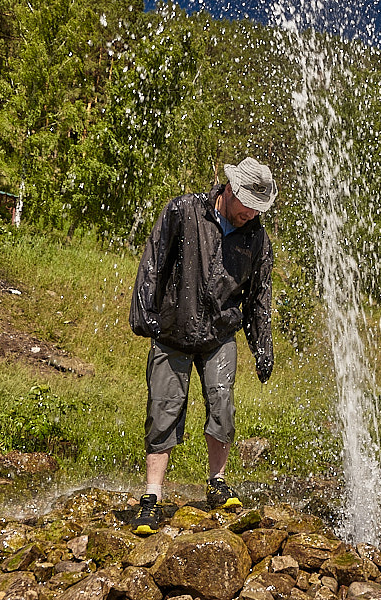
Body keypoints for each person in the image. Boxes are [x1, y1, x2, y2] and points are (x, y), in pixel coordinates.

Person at [128, 157, 276, 535]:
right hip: (173, 328)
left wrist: (262, 345)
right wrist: (144, 308)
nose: (251, 214)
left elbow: (259, 297)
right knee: (163, 408)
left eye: (259, 209)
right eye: (248, 206)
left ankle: (217, 482)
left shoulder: (257, 238)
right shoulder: (184, 210)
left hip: (220, 334)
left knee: (222, 399)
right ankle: (152, 495)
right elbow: (154, 260)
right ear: (229, 190)